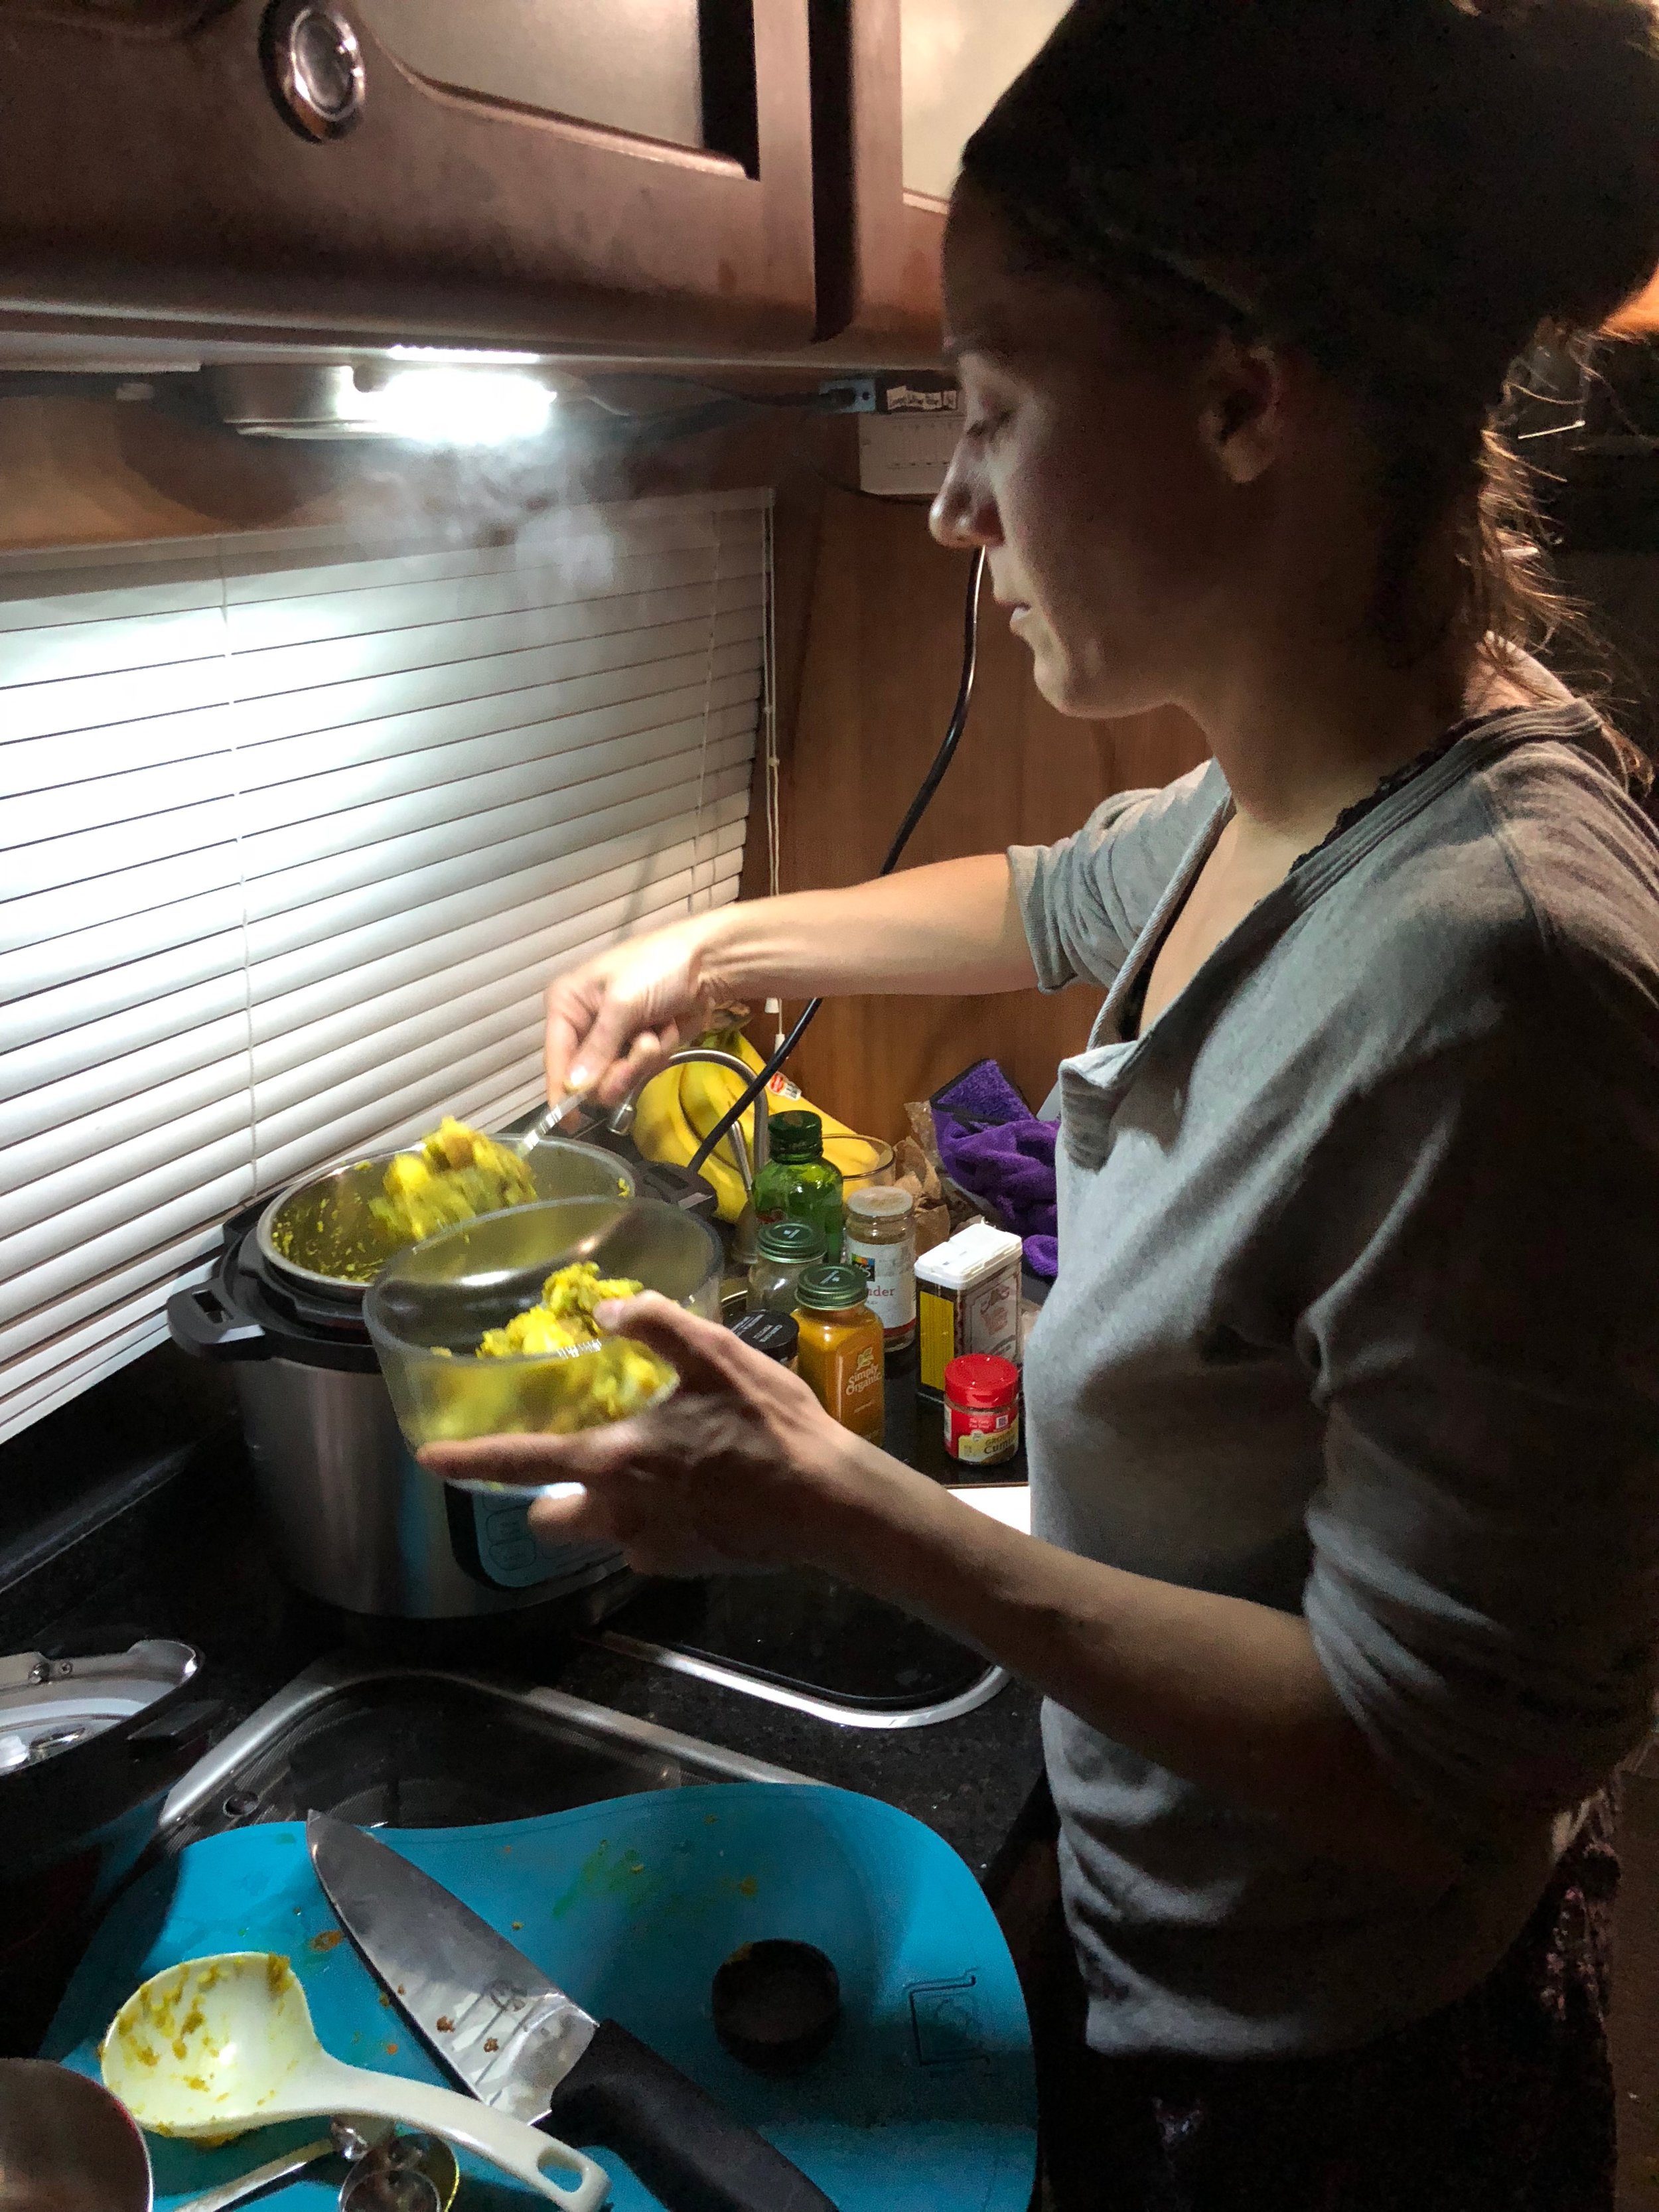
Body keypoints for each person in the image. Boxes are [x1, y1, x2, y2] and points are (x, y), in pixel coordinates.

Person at [421, 3, 1659, 2203]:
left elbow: (1434, 1758)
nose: (952, 507)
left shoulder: (1503, 986)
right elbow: (1048, 887)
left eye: (989, 408)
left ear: (1239, 395)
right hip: (1173, 1965)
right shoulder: (1310, 782)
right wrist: (701, 949)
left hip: (1342, 2099)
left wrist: (830, 1500)